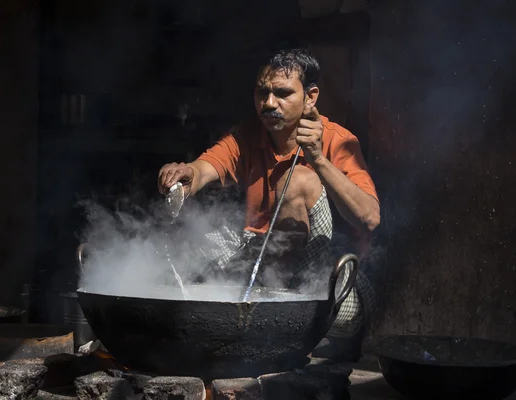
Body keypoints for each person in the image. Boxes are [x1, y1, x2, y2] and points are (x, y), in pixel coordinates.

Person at [157, 48, 380, 361]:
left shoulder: (339, 141)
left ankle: (280, 319)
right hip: (263, 270)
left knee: (300, 180)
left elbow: (370, 218)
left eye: (282, 93)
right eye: (262, 93)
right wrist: (186, 175)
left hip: (330, 291)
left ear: (311, 97)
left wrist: (317, 159)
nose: (269, 103)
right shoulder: (249, 136)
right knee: (197, 234)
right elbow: (206, 167)